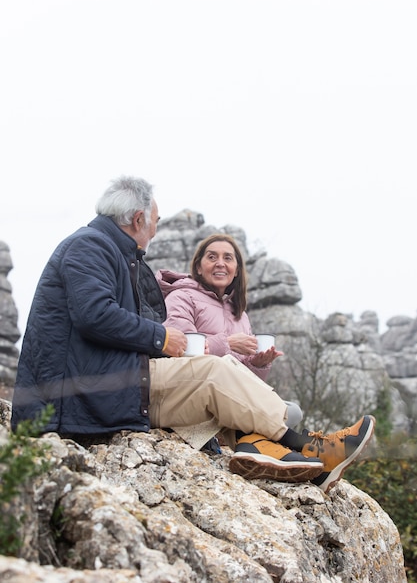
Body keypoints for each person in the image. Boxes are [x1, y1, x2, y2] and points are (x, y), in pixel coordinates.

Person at [11, 175, 375, 494]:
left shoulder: (113, 253)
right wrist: (162, 338)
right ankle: (309, 448)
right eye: (154, 221)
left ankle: (280, 452)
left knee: (220, 379)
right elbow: (95, 315)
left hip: (108, 386)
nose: (155, 229)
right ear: (137, 219)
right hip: (83, 394)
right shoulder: (90, 246)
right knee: (214, 371)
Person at [156, 233, 303, 429]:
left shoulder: (240, 314)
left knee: (293, 410)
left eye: (227, 258)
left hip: (231, 396)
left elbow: (243, 380)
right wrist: (228, 344)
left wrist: (258, 364)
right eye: (212, 257)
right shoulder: (181, 297)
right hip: (193, 393)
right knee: (281, 414)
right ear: (198, 267)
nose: (220, 263)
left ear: (236, 270)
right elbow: (182, 350)